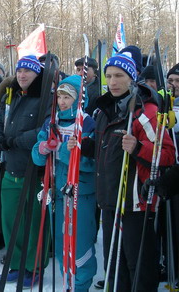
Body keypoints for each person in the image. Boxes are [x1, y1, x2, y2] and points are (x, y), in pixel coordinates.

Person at [82, 53, 176, 291]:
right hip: (109, 199)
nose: (113, 82)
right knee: (114, 266)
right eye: (109, 76)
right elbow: (107, 152)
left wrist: (138, 148)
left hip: (135, 202)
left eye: (119, 76)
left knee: (139, 266)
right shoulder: (105, 110)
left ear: (132, 78)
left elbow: (167, 155)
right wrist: (86, 146)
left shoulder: (146, 112)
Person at [0, 55, 51, 288]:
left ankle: (33, 266)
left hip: (33, 170)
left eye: (28, 71)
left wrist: (14, 140)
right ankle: (16, 263)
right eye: (20, 70)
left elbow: (44, 130)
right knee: (10, 220)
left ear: (37, 74)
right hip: (10, 168)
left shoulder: (45, 98)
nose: (23, 75)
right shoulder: (10, 95)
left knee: (33, 223)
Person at [32, 75, 97, 291]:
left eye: (67, 96)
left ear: (78, 98)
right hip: (58, 190)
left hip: (81, 193)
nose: (62, 101)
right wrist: (42, 149)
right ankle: (68, 283)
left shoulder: (87, 122)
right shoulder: (52, 122)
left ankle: (81, 286)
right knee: (61, 244)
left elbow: (90, 163)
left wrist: (63, 151)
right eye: (59, 96)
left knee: (79, 245)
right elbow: (37, 155)